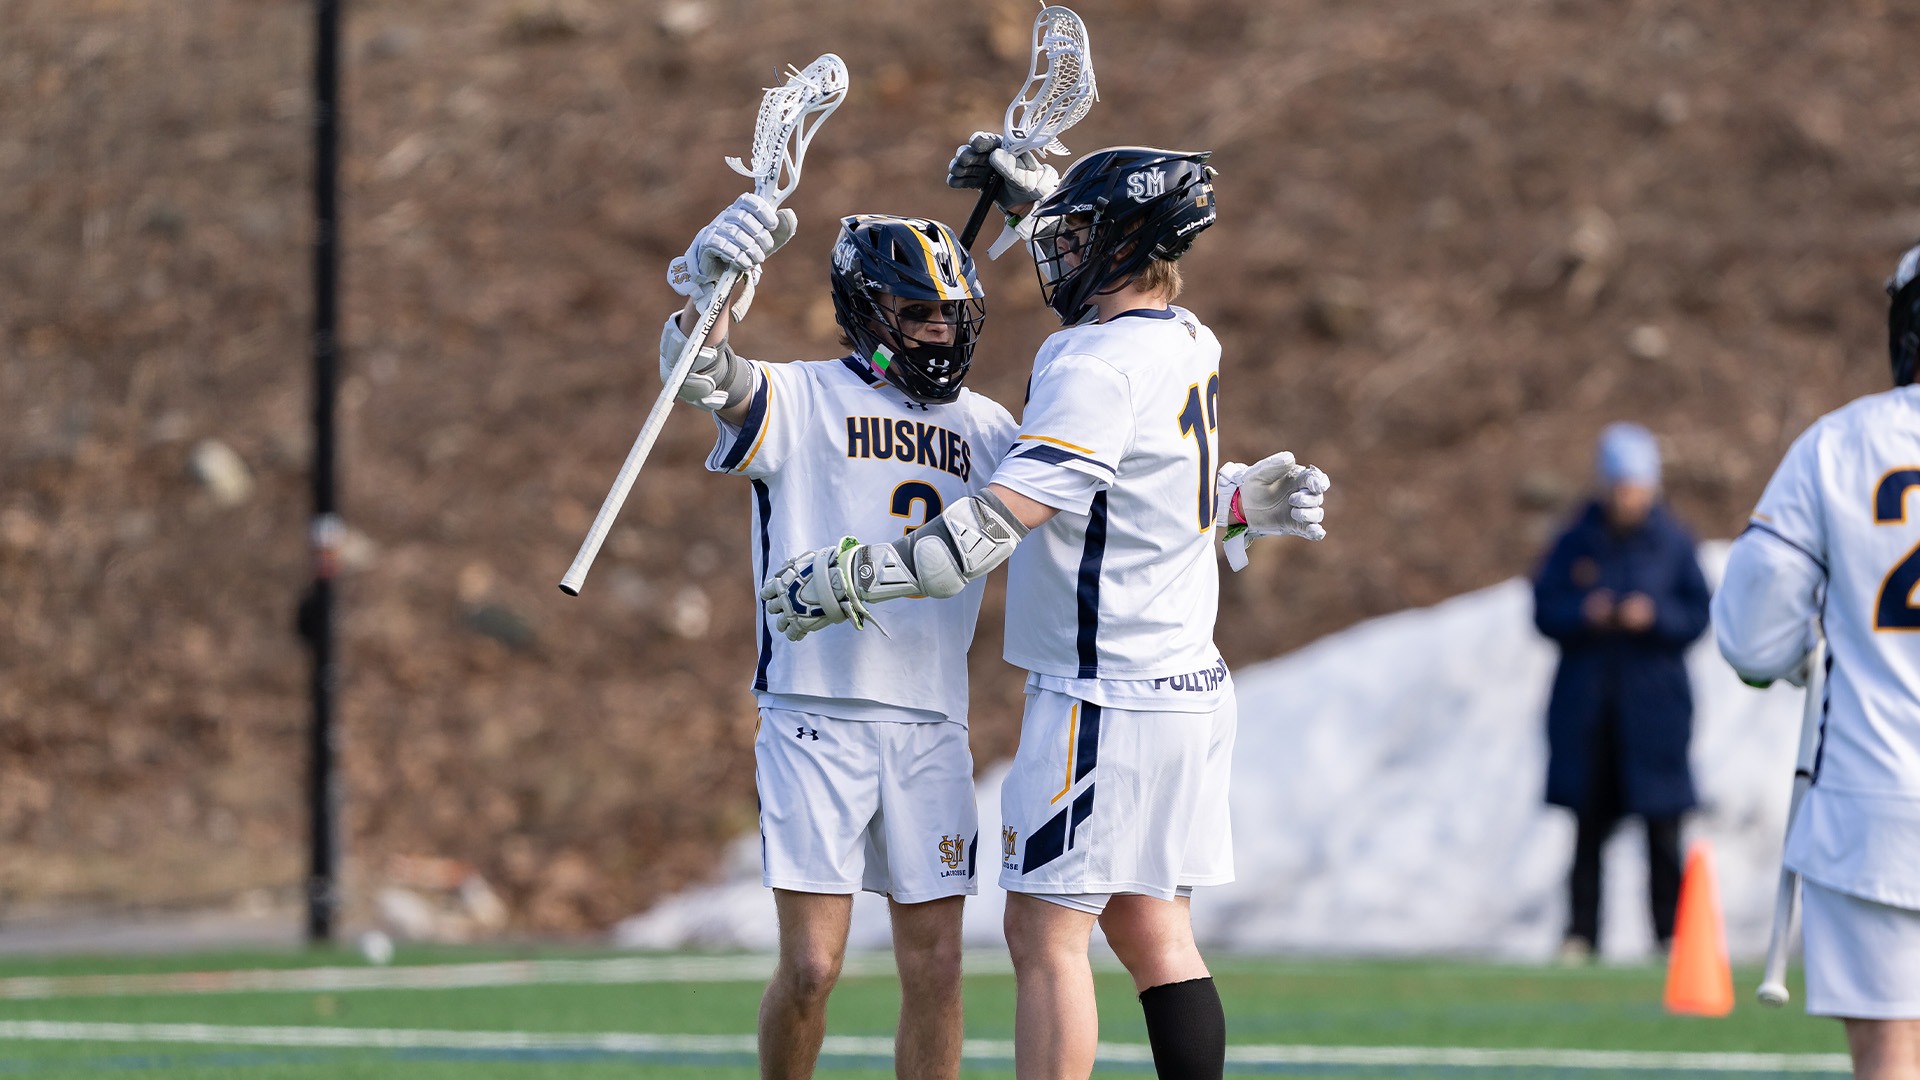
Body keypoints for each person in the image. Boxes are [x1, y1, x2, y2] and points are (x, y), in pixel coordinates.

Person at [760, 142, 1329, 1080]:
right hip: (1188, 679)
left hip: (1102, 692)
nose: (1056, 254)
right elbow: (1133, 483)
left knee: (1043, 933)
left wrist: (849, 580)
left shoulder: (1091, 361)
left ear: (1123, 241)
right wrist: (1224, 502)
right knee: (1153, 929)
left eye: (1078, 236)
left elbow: (976, 540)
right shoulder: (1189, 338)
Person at [660, 195, 1019, 1080]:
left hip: (932, 721)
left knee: (937, 969)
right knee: (813, 967)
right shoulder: (804, 395)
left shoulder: (987, 427)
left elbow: (1090, 479)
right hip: (814, 713)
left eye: (950, 314)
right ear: (868, 311)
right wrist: (705, 291)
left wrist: (1227, 499)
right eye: (916, 312)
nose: (938, 332)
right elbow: (704, 373)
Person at [1713, 244, 1920, 1080]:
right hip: (1870, 810)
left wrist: (1805, 650)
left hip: (1874, 805)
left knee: (1890, 1051)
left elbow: (1754, 636)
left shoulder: (1840, 444)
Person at [1531, 422, 1711, 962]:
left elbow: (1699, 614)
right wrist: (1584, 613)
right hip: (1589, 711)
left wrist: (1652, 617)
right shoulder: (1574, 540)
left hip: (1655, 711)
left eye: (1635, 486)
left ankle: (1671, 937)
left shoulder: (1675, 544)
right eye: (1618, 485)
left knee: (1663, 832)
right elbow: (1543, 608)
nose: (1625, 497)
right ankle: (1580, 934)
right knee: (1588, 831)